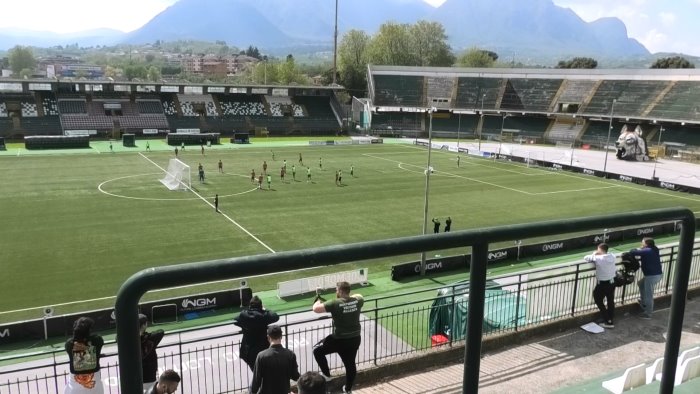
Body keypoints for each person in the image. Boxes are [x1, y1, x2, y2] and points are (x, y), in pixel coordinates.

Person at [313, 281, 364, 394]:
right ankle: (348, 389)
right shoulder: (358, 301)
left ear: (340, 291)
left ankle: (326, 376)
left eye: (337, 290)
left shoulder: (334, 303)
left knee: (317, 351)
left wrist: (317, 300)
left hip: (339, 340)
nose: (336, 292)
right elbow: (359, 295)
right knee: (350, 364)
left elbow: (316, 309)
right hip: (355, 338)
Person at [250, 325, 300, 394]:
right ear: (281, 337)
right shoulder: (290, 354)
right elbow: (295, 376)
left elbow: (256, 381)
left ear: (268, 338)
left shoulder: (261, 356)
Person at [233, 296, 280, 371]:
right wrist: (265, 310)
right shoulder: (264, 315)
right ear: (261, 306)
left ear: (250, 306)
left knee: (257, 373)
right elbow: (275, 316)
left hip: (247, 351)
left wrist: (244, 325)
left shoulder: (244, 314)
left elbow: (235, 320)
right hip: (262, 349)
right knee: (262, 373)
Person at [64, 317, 104, 394]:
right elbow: (97, 340)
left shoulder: (69, 344)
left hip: (74, 388)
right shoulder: (97, 340)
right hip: (95, 387)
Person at [629, 237, 663, 319]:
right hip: (657, 275)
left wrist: (639, 249)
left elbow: (632, 252)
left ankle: (648, 314)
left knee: (649, 295)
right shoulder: (654, 249)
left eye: (642, 243)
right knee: (640, 284)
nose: (641, 244)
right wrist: (642, 248)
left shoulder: (647, 250)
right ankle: (644, 302)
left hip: (651, 276)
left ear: (646, 244)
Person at [584, 243, 617, 328]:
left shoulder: (598, 258)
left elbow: (586, 258)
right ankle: (610, 318)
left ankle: (607, 320)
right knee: (610, 301)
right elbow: (611, 254)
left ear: (600, 250)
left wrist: (594, 253)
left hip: (602, 284)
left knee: (597, 299)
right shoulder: (612, 256)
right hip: (612, 282)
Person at [139, 314, 165, 391]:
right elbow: (161, 332)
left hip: (135, 376)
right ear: (144, 325)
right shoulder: (150, 338)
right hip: (150, 375)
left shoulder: (130, 339)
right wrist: (144, 334)